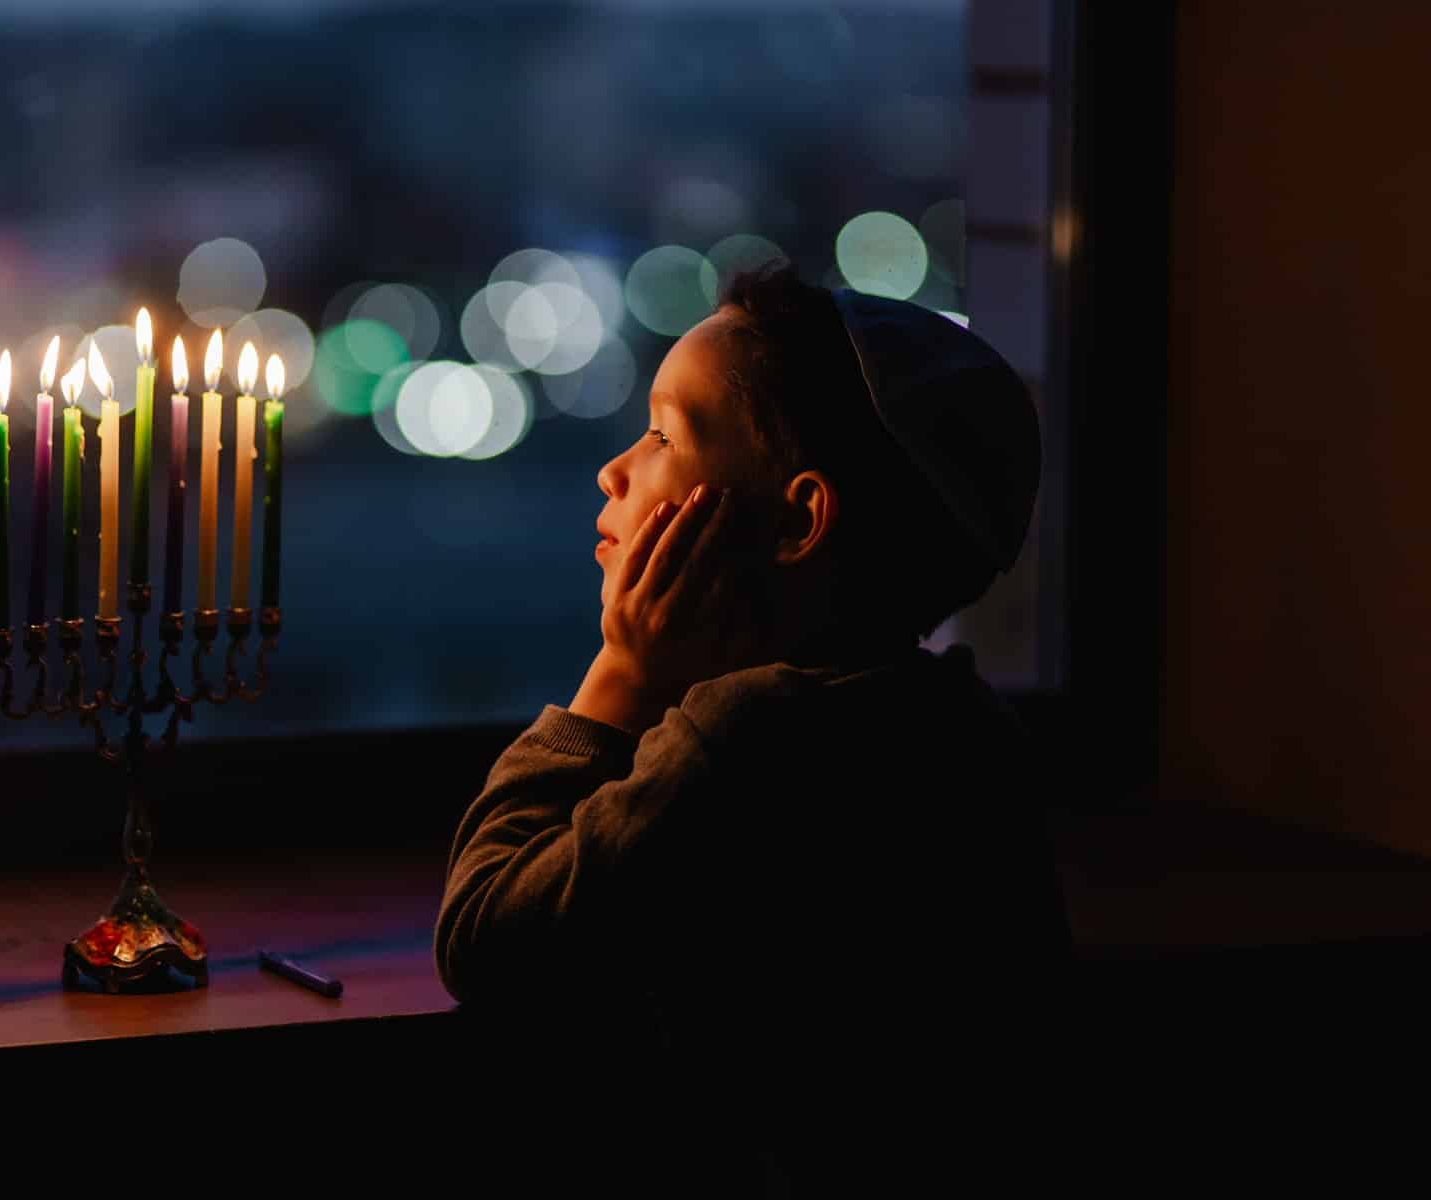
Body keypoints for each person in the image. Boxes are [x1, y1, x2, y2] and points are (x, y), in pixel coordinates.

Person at [433, 261, 1072, 1192]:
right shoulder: (959, 723)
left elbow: (485, 940)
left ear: (798, 519)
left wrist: (621, 672)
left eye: (662, 434)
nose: (614, 468)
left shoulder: (747, 743)